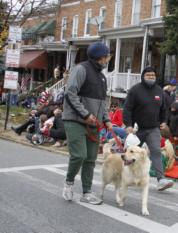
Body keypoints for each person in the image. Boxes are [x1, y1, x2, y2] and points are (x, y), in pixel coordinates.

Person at [62, 42, 113, 204]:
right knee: (79, 155)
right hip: (75, 120)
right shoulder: (81, 69)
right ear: (101, 57)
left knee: (91, 158)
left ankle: (87, 192)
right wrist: (85, 114)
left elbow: (102, 103)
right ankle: (68, 184)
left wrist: (107, 120)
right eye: (107, 56)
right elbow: (70, 93)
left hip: (94, 124)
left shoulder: (102, 77)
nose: (108, 59)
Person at [123, 66, 174, 191]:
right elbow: (127, 108)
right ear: (143, 76)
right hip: (136, 130)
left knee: (156, 152)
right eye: (148, 75)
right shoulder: (135, 90)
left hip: (153, 129)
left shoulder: (159, 91)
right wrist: (128, 124)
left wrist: (163, 121)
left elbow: (163, 108)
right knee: (130, 153)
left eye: (153, 75)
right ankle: (124, 176)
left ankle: (161, 180)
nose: (151, 77)